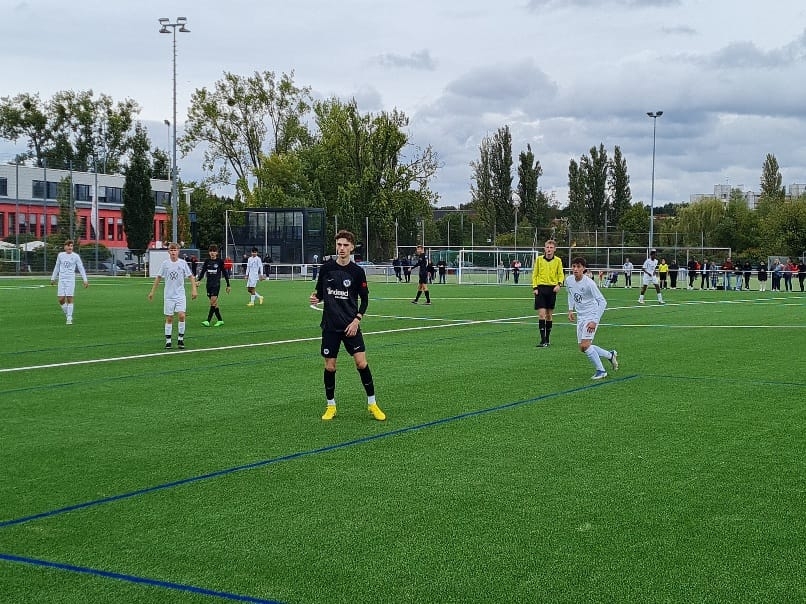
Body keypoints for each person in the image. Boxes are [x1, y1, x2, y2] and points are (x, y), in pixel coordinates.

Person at [310, 230, 385, 422]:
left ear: (352, 247)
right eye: (339, 244)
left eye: (345, 245)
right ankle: (331, 406)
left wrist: (356, 320)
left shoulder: (357, 272)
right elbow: (319, 293)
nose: (341, 248)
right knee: (330, 367)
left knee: (361, 363)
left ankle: (372, 404)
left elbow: (365, 300)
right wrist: (316, 298)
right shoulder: (326, 268)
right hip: (330, 326)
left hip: (351, 325)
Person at [565, 256, 619, 380]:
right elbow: (570, 294)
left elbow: (603, 302)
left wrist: (594, 321)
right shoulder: (569, 280)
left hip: (591, 315)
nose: (575, 269)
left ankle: (601, 371)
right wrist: (570, 310)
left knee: (585, 345)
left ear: (584, 268)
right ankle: (610, 355)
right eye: (574, 266)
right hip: (581, 316)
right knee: (583, 347)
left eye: (578, 267)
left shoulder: (589, 283)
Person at [147, 242, 197, 349]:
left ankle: (180, 339)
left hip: (180, 295)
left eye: (175, 250)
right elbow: (158, 277)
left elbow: (191, 276)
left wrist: (194, 290)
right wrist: (152, 291)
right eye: (171, 250)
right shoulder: (165, 264)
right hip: (169, 295)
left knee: (182, 315)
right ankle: (168, 340)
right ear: (168, 252)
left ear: (178, 251)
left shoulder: (182, 263)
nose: (173, 252)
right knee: (169, 318)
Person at [531, 239, 564, 347]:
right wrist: (535, 287)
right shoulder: (539, 260)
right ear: (544, 249)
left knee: (549, 315)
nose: (549, 249)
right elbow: (535, 274)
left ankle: (548, 339)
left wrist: (559, 284)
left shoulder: (558, 261)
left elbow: (561, 274)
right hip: (540, 289)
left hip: (552, 289)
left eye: (551, 248)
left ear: (554, 249)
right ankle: (543, 340)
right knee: (541, 314)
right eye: (547, 247)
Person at [50, 239, 88, 325]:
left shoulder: (76, 256)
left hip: (70, 279)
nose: (70, 247)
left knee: (69, 298)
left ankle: (69, 318)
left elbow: (81, 268)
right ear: (65, 247)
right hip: (61, 279)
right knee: (61, 299)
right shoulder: (60, 255)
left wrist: (85, 280)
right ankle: (68, 313)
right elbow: (57, 267)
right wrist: (53, 278)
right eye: (68, 246)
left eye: (71, 246)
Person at [196, 244, 231, 327]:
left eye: (214, 251)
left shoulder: (220, 261)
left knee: (212, 302)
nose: (212, 253)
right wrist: (199, 280)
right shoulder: (207, 261)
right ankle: (220, 320)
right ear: (209, 252)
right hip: (208, 285)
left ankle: (208, 320)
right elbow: (203, 271)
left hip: (216, 285)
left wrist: (228, 285)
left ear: (217, 253)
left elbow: (225, 273)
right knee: (214, 304)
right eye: (211, 251)